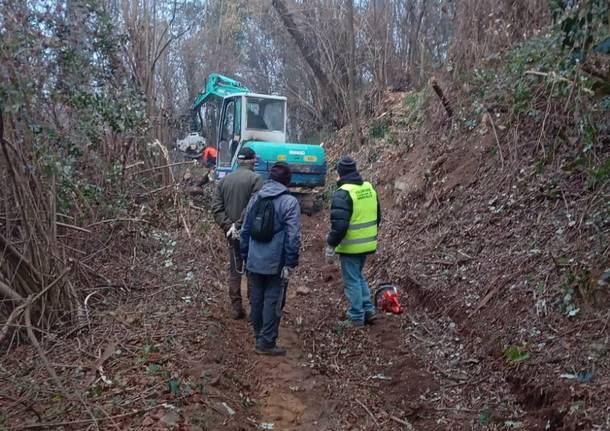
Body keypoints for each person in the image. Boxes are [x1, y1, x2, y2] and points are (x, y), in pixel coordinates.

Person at [240, 162, 301, 356]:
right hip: (276, 262)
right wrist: (290, 262)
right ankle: (266, 343)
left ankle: (259, 335)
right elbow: (293, 236)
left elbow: (245, 229)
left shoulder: (255, 198)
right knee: (272, 301)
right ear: (287, 180)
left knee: (256, 298)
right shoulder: (289, 202)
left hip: (254, 259)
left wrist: (245, 254)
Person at [325, 156, 381, 328]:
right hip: (368, 243)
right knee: (358, 276)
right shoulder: (368, 188)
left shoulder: (344, 193)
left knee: (351, 280)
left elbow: (339, 225)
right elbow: (378, 215)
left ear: (340, 173)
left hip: (351, 246)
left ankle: (356, 316)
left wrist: (331, 245)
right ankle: (368, 310)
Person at [212, 147, 263, 319]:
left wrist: (229, 227)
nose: (256, 163)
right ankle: (253, 310)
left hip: (231, 235)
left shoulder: (224, 181)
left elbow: (216, 209)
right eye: (255, 160)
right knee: (252, 271)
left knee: (234, 270)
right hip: (251, 235)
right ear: (251, 161)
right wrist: (239, 226)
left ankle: (236, 308)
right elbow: (254, 206)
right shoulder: (256, 179)